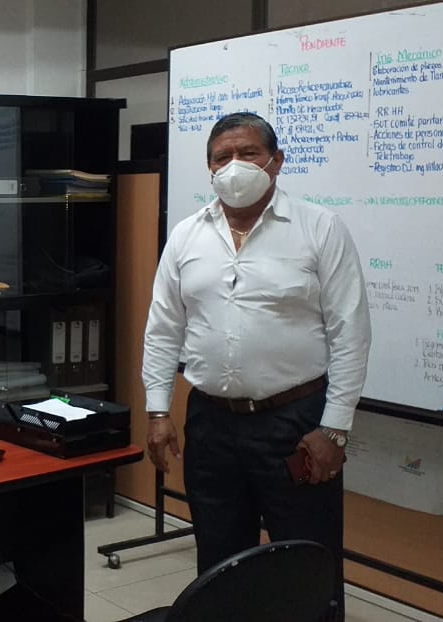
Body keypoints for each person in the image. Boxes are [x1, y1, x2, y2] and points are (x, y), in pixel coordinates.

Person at [141, 112, 371, 621]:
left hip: (295, 424)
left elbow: (351, 333)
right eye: (222, 157)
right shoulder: (187, 235)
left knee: (307, 560)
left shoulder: (319, 228)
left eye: (248, 153)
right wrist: (158, 411)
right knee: (219, 561)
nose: (234, 166)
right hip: (211, 424)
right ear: (209, 168)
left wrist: (334, 429)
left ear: (276, 161)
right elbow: (162, 330)